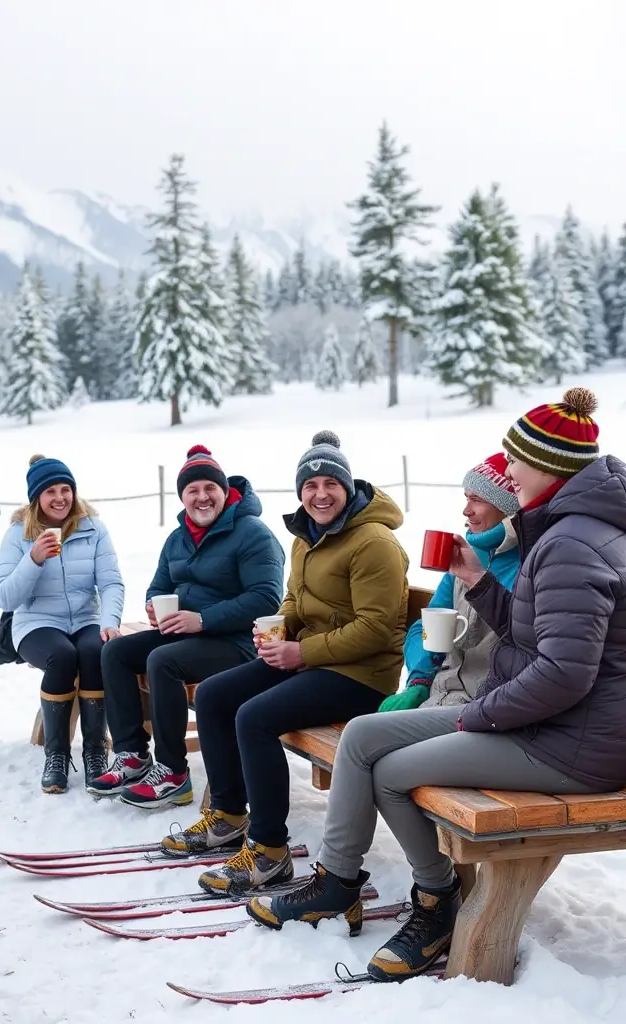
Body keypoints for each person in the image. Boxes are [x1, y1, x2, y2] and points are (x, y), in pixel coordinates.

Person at [246, 388, 626, 984]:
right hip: (551, 721)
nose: (511, 471)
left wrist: (481, 714)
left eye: (516, 461)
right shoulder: (569, 532)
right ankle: (337, 882)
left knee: (392, 770)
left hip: (571, 742)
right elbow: (539, 637)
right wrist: (478, 585)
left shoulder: (571, 543)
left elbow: (563, 674)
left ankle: (436, 901)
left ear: (550, 467)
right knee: (366, 737)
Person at [162, 430, 410, 895]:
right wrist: (278, 626)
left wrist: (301, 651)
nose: (319, 495)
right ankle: (229, 816)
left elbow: (376, 629)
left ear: (347, 487)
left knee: (255, 717)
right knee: (215, 695)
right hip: (311, 661)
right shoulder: (307, 536)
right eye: (310, 487)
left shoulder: (373, 542)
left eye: (330, 486)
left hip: (361, 676)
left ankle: (271, 851)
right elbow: (297, 597)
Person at [89, 445, 285, 808]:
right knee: (115, 651)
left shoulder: (253, 533)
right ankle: (133, 755)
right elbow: (159, 586)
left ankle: (173, 772)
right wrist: (154, 606)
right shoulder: (178, 538)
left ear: (224, 492)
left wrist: (204, 619)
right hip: (186, 634)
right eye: (192, 490)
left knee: (163, 661)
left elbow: (266, 597)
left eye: (210, 488)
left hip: (238, 642)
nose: (202, 497)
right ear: (182, 497)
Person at [0, 455, 124, 795]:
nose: (60, 498)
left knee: (96, 652)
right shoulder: (17, 534)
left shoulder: (93, 528)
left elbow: (111, 583)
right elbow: (5, 598)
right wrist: (33, 558)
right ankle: (57, 755)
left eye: (66, 489)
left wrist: (109, 621)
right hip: (36, 623)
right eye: (50, 491)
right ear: (36, 497)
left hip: (85, 618)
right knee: (63, 656)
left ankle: (96, 751)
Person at [379, 452, 520, 712]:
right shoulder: (468, 555)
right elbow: (426, 625)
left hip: (485, 706)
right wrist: (419, 680)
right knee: (365, 735)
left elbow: (523, 640)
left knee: (366, 739)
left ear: (508, 506)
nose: (466, 510)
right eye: (466, 498)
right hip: (442, 694)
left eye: (476, 500)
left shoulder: (528, 563)